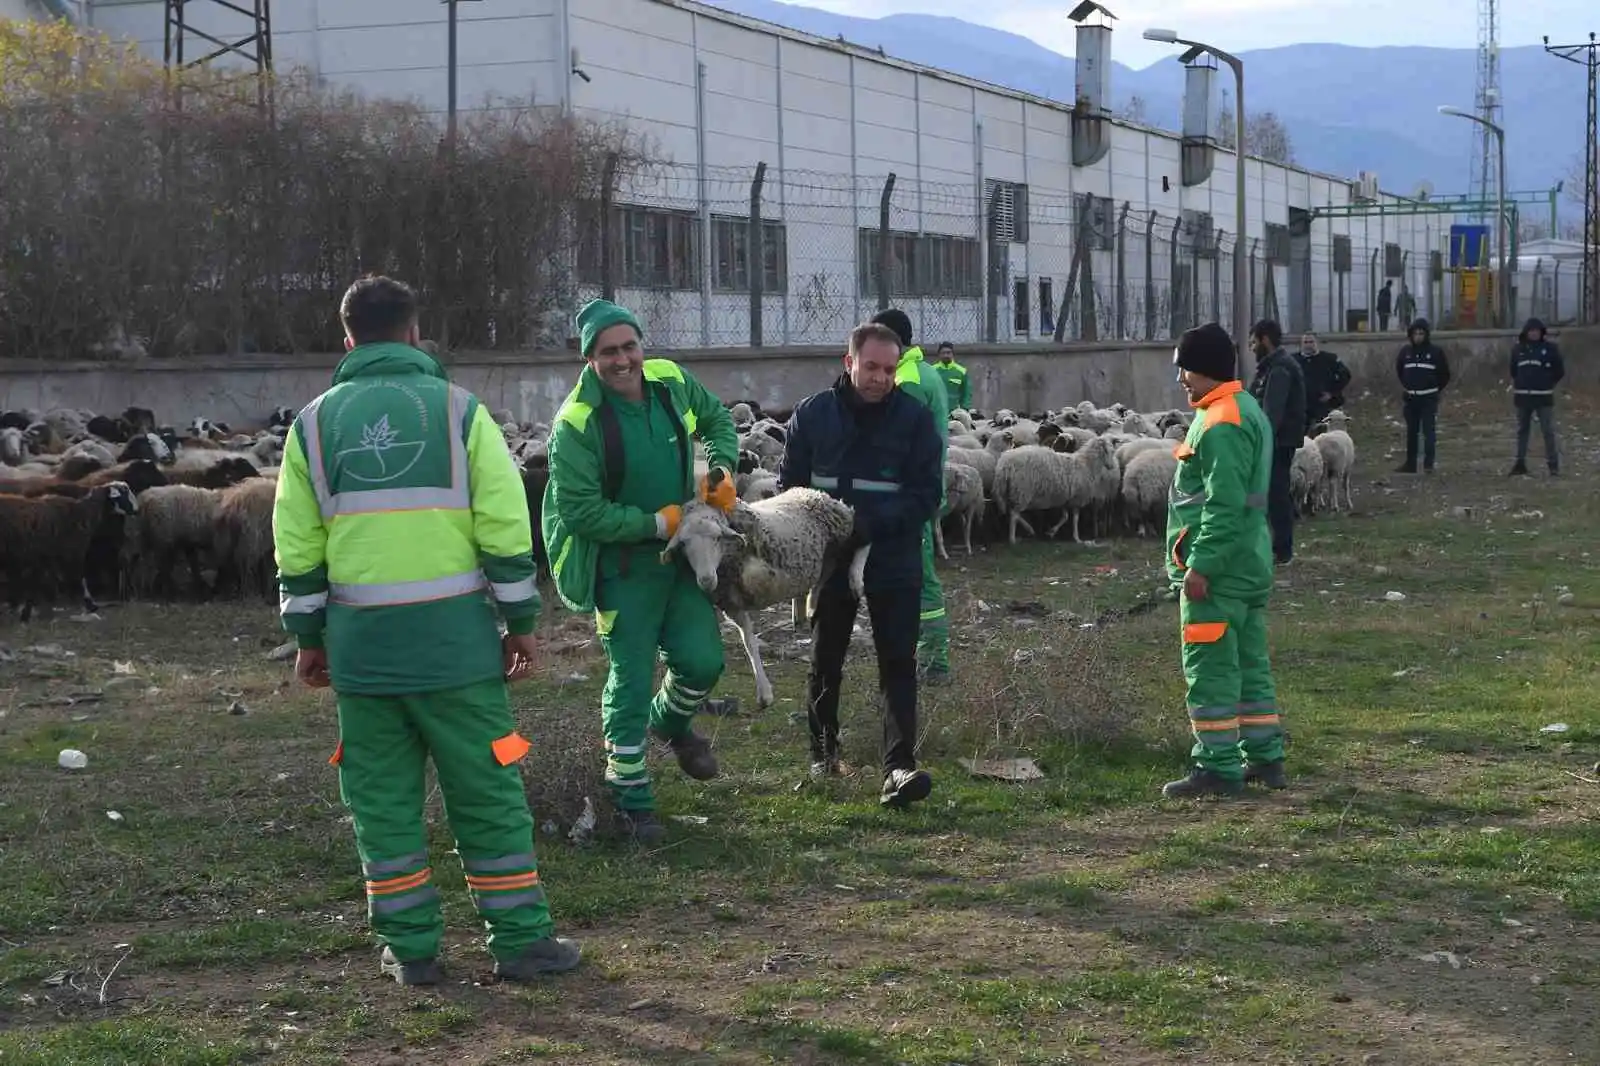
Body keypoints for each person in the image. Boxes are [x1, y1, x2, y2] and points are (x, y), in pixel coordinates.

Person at [272, 275, 581, 986]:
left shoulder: (312, 426)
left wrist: (308, 636)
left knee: (381, 804)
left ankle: (411, 952)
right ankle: (521, 942)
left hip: (363, 660)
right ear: (416, 332)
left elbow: (297, 543)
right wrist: (522, 622)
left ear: (347, 339)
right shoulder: (461, 414)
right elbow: (503, 526)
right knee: (491, 789)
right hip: (460, 658)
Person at [541, 298, 741, 844]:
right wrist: (659, 521)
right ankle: (632, 799)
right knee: (629, 680)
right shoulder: (577, 424)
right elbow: (582, 512)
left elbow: (719, 419)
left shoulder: (670, 382)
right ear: (590, 360)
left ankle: (669, 724)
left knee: (702, 661)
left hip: (679, 561)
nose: (623, 359)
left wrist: (722, 465)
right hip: (622, 569)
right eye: (609, 352)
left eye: (629, 346)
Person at [778, 321, 944, 806]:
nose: (879, 378)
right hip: (830, 556)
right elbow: (791, 490)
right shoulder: (812, 417)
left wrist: (872, 524)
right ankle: (824, 755)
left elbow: (926, 494)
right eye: (870, 366)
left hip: (892, 552)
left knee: (898, 660)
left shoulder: (913, 420)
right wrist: (832, 531)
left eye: (889, 369)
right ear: (848, 362)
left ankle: (899, 767)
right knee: (826, 657)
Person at [1163, 322, 1286, 798]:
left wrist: (1201, 566)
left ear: (1208, 368)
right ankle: (1265, 756)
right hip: (1249, 563)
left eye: (1186, 370)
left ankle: (1216, 765)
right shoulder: (1244, 409)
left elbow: (1223, 504)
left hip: (1219, 573)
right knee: (1251, 666)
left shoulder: (1220, 422)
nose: (1181, 380)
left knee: (1211, 668)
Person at [869, 309, 953, 683]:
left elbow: (898, 442)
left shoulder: (909, 380)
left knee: (921, 578)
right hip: (920, 489)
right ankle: (920, 654)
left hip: (910, 495)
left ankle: (934, 661)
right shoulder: (922, 372)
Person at [1246, 319, 1306, 566]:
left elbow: (1272, 412)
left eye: (1253, 342)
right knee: (1271, 492)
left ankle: (1283, 550)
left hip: (1277, 443)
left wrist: (1260, 442)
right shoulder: (1269, 367)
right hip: (1273, 441)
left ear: (1265, 340)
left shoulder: (1280, 369)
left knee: (1276, 493)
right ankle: (1276, 545)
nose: (1251, 348)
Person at [1508, 317, 1565, 477]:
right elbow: (1513, 370)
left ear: (1542, 332)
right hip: (1523, 397)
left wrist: (1547, 383)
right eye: (1531, 331)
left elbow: (1559, 371)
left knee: (1548, 431)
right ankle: (1520, 463)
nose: (1534, 334)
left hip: (1543, 397)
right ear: (1526, 332)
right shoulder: (1518, 350)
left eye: (1536, 331)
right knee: (1522, 431)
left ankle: (1553, 466)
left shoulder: (1550, 349)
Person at [1394, 317, 1451, 474]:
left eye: (1421, 333)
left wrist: (1433, 388)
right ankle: (1410, 464)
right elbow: (1400, 371)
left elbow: (1445, 375)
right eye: (1415, 333)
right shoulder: (1405, 352)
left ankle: (1428, 464)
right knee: (1412, 432)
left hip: (1428, 399)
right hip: (1411, 399)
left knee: (1428, 432)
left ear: (1426, 335)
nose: (1418, 336)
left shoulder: (1435, 352)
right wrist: (1408, 385)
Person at [1295, 333, 1351, 429]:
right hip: (1301, 405)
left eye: (1311, 342)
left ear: (1317, 343)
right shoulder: (1293, 360)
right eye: (1305, 342)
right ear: (1301, 344)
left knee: (1324, 434)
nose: (1308, 345)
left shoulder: (1329, 359)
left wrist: (1332, 393)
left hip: (1324, 404)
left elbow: (1345, 375)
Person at [931, 341, 972, 411]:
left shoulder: (962, 371)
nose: (946, 355)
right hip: (937, 410)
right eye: (943, 353)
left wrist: (965, 408)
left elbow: (967, 393)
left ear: (953, 354)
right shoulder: (932, 370)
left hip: (956, 411)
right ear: (939, 355)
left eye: (948, 353)